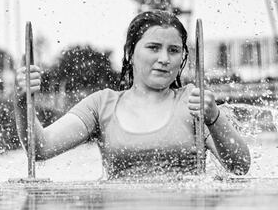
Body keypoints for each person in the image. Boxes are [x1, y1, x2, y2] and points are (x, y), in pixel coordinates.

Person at [15, 11, 251, 179]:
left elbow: (240, 167)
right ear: (130, 52)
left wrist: (214, 118)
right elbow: (41, 148)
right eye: (153, 48)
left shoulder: (194, 102)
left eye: (174, 50)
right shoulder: (101, 105)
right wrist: (21, 100)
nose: (164, 59)